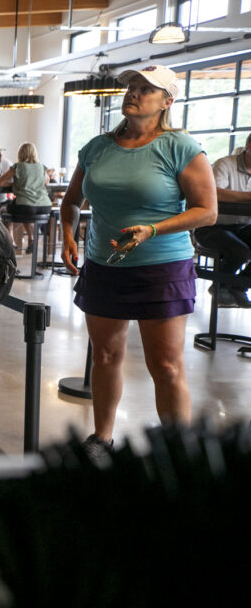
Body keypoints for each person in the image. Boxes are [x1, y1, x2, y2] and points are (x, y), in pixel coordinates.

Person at [60, 64, 216, 460]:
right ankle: (102, 439)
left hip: (162, 267)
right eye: (132, 86)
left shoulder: (180, 146)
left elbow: (206, 211)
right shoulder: (97, 147)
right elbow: (72, 201)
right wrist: (68, 235)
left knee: (165, 365)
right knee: (105, 356)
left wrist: (153, 229)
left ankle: (178, 451)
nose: (134, 93)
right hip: (104, 264)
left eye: (146, 89)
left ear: (167, 101)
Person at [194, 132, 251, 308]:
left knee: (242, 248)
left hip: (242, 226)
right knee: (241, 252)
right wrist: (248, 196)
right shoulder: (225, 164)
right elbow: (215, 193)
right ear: (249, 147)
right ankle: (220, 286)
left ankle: (237, 286)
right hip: (211, 227)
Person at [0, 142, 52, 253]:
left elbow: (0, 182)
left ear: (20, 153)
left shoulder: (18, 166)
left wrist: (16, 184)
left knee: (3, 209)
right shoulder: (41, 167)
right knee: (26, 212)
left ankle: (10, 241)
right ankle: (31, 239)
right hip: (45, 206)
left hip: (26, 206)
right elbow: (46, 181)